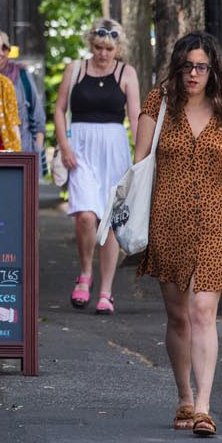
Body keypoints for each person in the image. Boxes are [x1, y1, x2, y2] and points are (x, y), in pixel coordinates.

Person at [134, 31, 222, 439]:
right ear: (177, 67)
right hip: (167, 219)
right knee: (178, 316)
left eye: (201, 66)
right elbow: (139, 162)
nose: (194, 74)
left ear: (212, 69)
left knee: (204, 312)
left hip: (214, 221)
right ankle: (183, 395)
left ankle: (203, 408)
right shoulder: (158, 102)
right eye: (187, 66)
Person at [54, 19, 141, 314]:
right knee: (85, 216)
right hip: (81, 148)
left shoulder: (126, 72)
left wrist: (140, 158)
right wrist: (64, 145)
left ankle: (106, 291)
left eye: (109, 48)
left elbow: (136, 115)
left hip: (114, 148)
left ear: (118, 47)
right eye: (98, 47)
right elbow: (59, 108)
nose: (103, 54)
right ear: (90, 44)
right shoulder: (75, 69)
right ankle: (85, 273)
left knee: (111, 222)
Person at [0, 34, 46, 158]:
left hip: (24, 151)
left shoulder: (21, 74)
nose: (0, 53)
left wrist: (37, 151)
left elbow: (38, 114)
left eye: (4, 48)